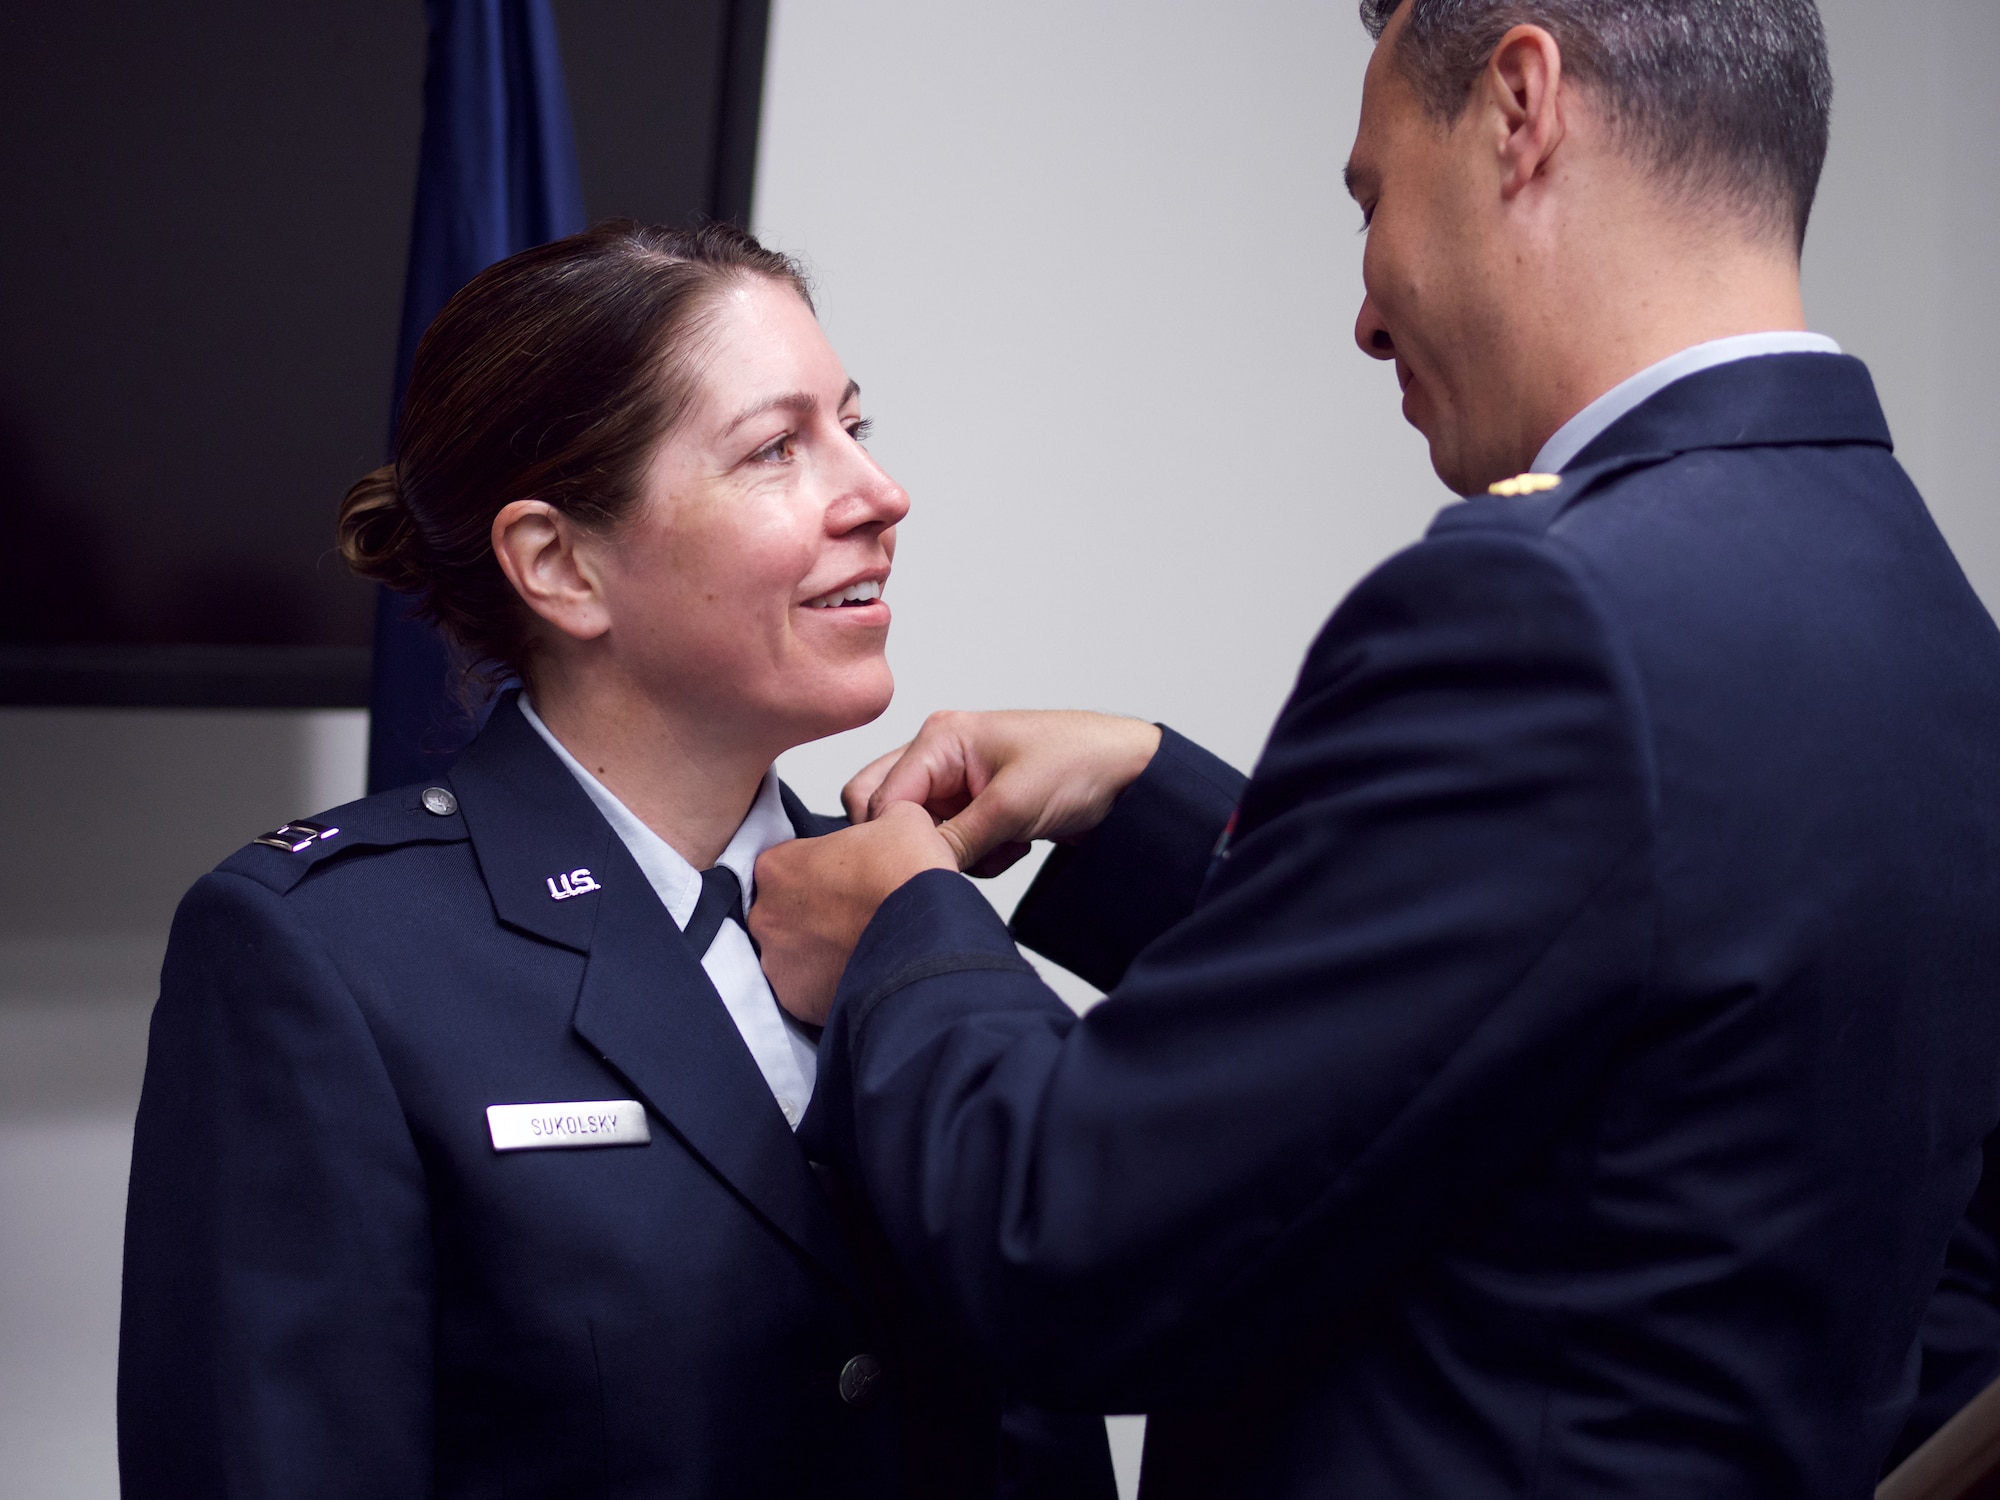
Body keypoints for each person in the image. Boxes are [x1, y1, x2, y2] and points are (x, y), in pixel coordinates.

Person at [747, 2, 2000, 1495]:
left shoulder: (1539, 607)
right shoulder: (1922, 607)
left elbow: (1075, 1246)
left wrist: (904, 937)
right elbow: (1568, 1008)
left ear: (1519, 107)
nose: (1364, 306)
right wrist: (1154, 799)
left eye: (1372, 198)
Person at [117, 221, 1115, 1500]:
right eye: (775, 449)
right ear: (559, 564)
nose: (877, 492)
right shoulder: (325, 954)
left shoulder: (912, 918)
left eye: (854, 427)